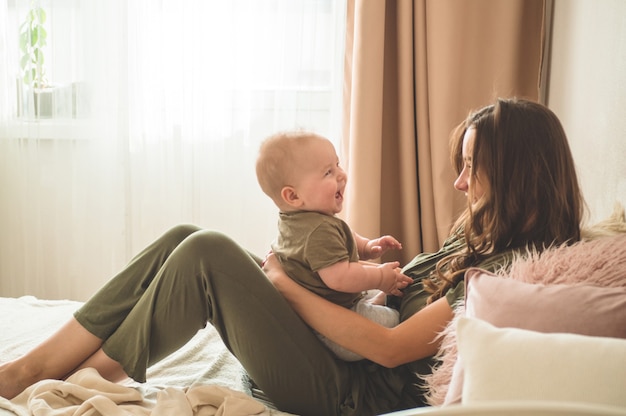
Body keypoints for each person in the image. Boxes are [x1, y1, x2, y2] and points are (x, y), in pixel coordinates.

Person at [0, 98, 584, 416]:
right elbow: (392, 296)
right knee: (187, 233)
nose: (459, 183)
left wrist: (285, 287)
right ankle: (49, 364)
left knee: (206, 252)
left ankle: (69, 370)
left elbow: (388, 349)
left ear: (515, 175)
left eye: (471, 167)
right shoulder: (479, 240)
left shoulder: (513, 272)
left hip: (347, 392)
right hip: (334, 357)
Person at [255, 131, 412, 361]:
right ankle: (376, 304)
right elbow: (340, 277)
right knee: (394, 320)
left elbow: (343, 239)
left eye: (337, 165)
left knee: (373, 291)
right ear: (293, 196)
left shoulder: (300, 220)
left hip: (328, 307)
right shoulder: (319, 231)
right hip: (332, 329)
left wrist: (368, 246)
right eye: (328, 172)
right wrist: (380, 277)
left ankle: (373, 299)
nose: (341, 175)